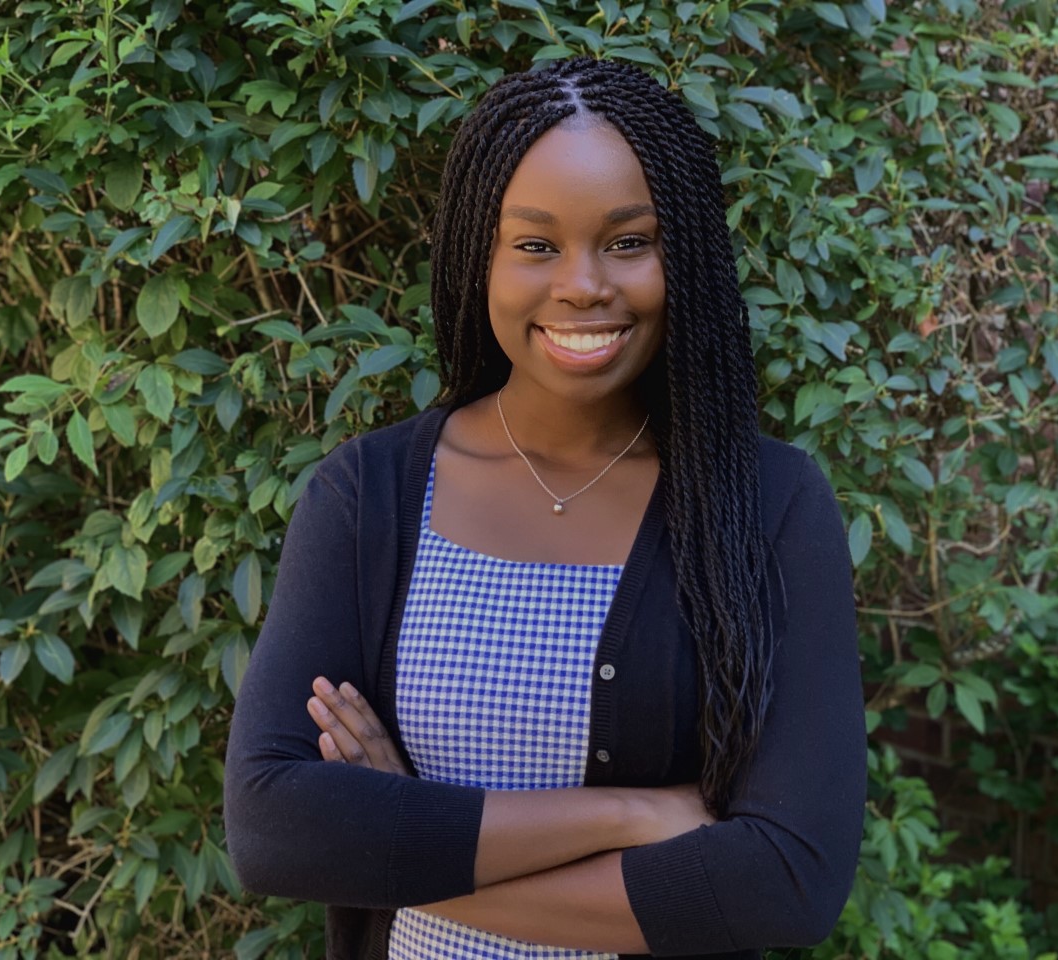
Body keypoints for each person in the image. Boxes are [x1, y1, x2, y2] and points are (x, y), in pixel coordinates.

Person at [224, 56, 866, 960]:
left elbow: (787, 882)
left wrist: (407, 840)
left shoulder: (769, 509)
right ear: (475, 260)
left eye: (629, 242)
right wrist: (633, 813)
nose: (583, 285)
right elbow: (274, 828)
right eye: (535, 245)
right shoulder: (365, 497)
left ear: (682, 254)